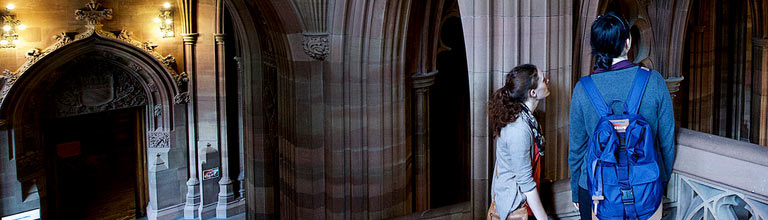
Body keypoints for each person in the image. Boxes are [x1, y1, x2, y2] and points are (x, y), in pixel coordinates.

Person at [568, 12, 675, 220]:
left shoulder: (583, 89)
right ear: (628, 42)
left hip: (596, 191)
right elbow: (666, 142)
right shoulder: (653, 81)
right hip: (645, 187)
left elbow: (577, 149)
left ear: (596, 48)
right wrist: (660, 181)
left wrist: (576, 189)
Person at [487, 64, 550, 220]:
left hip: (524, 200)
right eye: (543, 79)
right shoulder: (518, 129)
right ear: (532, 93)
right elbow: (525, 182)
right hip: (515, 206)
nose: (548, 80)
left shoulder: (529, 118)